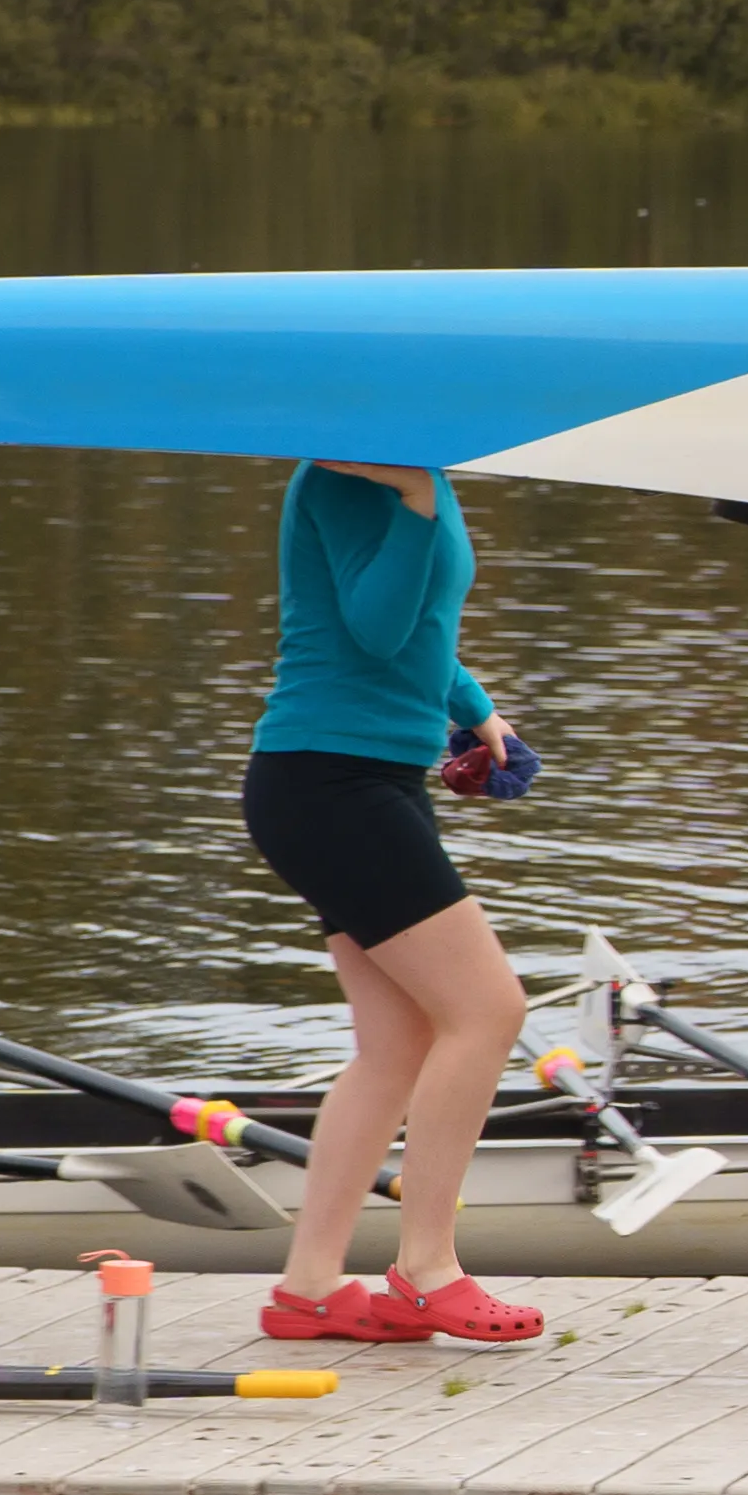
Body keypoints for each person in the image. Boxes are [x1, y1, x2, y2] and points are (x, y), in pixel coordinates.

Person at [239, 449, 546, 1353]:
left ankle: (310, 1287)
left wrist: (480, 713)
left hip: (367, 775)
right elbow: (373, 630)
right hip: (327, 780)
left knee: (401, 1041)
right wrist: (415, 505)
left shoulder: (411, 469)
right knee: (488, 1010)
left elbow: (419, 630)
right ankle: (426, 1271)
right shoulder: (346, 477)